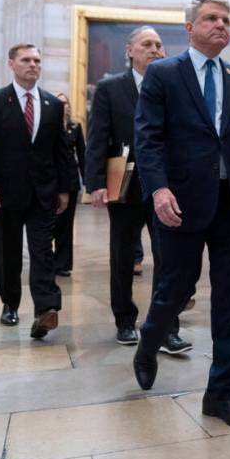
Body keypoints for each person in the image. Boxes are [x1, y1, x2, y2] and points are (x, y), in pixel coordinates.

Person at [133, 0, 230, 430]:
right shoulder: (163, 74)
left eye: (227, 19)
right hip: (180, 203)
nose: (221, 25)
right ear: (189, 28)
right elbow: (147, 138)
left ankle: (222, 394)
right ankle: (149, 342)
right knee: (174, 289)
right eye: (211, 18)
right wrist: (158, 190)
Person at [85, 26, 191, 350]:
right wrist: (95, 184)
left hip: (166, 186)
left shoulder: (174, 87)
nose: (155, 49)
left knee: (168, 259)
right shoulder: (110, 88)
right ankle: (125, 320)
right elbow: (97, 138)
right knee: (122, 255)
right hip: (126, 181)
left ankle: (166, 328)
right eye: (147, 44)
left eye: (159, 45)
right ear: (130, 50)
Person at [0, 44, 71, 339]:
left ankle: (46, 310)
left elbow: (61, 151)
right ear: (12, 64)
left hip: (44, 194)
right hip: (4, 194)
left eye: (37, 60)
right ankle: (9, 303)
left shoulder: (53, 104)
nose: (33, 65)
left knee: (43, 251)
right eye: (26, 60)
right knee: (8, 252)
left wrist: (64, 189)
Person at [53, 93, 85, 277]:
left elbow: (82, 154)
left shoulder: (75, 127)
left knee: (66, 224)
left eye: (66, 103)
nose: (63, 106)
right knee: (49, 223)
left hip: (71, 179)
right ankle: (46, 259)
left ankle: (63, 263)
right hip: (52, 180)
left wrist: (88, 181)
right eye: (60, 103)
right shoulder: (49, 124)